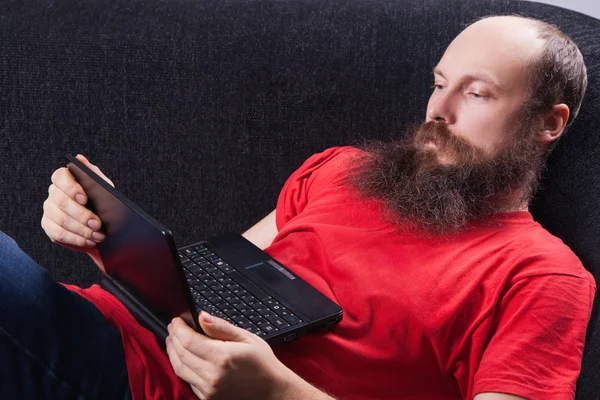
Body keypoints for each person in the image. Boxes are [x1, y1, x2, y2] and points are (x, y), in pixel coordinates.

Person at [0, 14, 594, 400]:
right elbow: (216, 276)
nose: (439, 110)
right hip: (99, 329)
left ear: (548, 123)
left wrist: (277, 393)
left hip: (139, 385)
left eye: (478, 92)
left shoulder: (543, 275)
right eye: (440, 82)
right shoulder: (340, 168)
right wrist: (106, 234)